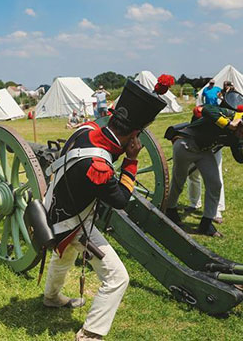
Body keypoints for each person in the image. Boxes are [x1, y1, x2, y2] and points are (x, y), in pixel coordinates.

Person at [42, 80, 168, 341]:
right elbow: (120, 199)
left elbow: (101, 151)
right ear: (133, 135)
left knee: (63, 255)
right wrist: (131, 161)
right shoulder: (99, 166)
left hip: (53, 208)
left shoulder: (86, 129)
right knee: (118, 278)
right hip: (72, 223)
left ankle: (51, 297)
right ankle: (90, 334)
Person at [164, 106, 243, 237]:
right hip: (186, 144)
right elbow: (206, 110)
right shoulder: (230, 116)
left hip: (204, 151)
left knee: (215, 184)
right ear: (241, 124)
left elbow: (239, 158)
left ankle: (206, 223)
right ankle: (170, 210)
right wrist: (228, 124)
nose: (242, 136)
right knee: (178, 181)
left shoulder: (240, 135)